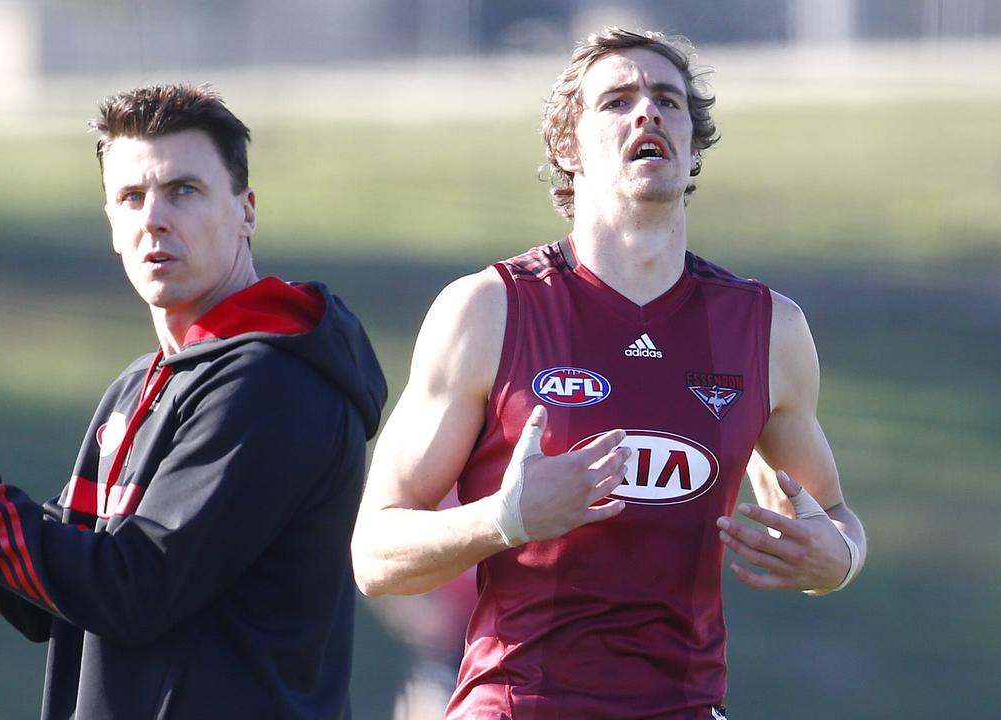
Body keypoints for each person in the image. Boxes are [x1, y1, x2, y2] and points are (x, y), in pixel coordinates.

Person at [0, 83, 387, 719]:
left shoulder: (268, 384)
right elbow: (46, 606)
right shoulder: (140, 385)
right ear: (112, 224)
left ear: (246, 210)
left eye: (184, 191)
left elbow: (131, 593)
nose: (154, 218)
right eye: (131, 198)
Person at [351, 27, 867, 719]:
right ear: (568, 148)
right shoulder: (489, 310)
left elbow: (830, 516)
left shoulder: (766, 328)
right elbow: (375, 556)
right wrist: (505, 519)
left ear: (691, 145)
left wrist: (840, 562)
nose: (647, 114)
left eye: (667, 100)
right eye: (617, 101)